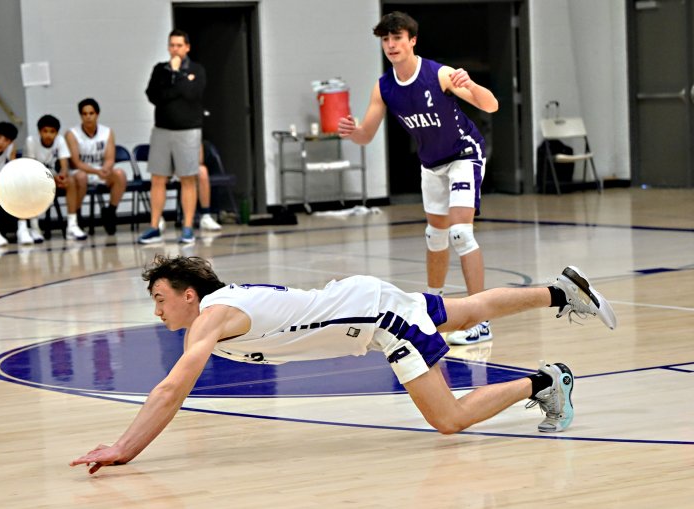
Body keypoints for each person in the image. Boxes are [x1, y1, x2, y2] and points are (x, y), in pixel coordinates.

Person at [70, 255, 616, 474]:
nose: (157, 310)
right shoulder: (220, 307)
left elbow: (171, 391)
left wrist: (124, 448)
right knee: (465, 311)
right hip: (362, 297)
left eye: (161, 298)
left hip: (379, 319)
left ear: (189, 295)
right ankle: (561, 291)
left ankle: (546, 381)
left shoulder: (210, 318)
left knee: (448, 419)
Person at [338, 12, 498, 346]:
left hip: (463, 154)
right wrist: (353, 132)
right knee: (434, 236)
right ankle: (432, 311)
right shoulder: (384, 87)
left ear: (412, 40)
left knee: (460, 233)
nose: (391, 45)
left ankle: (480, 321)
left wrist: (471, 85)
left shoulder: (440, 74)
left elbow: (491, 105)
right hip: (431, 164)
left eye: (397, 37)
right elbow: (366, 135)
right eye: (385, 39)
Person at [139, 29, 206, 245]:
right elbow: (154, 95)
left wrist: (177, 78)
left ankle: (187, 227)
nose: (175, 49)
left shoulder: (197, 70)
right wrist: (174, 82)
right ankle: (154, 226)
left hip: (188, 131)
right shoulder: (160, 70)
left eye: (179, 45)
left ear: (187, 47)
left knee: (187, 178)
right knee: (158, 178)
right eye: (172, 45)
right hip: (162, 130)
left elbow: (192, 94)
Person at [65, 98, 127, 236]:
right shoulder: (72, 134)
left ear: (97, 114)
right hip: (79, 172)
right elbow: (75, 162)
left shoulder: (107, 132)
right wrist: (96, 171)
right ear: (81, 115)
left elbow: (110, 159)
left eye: (91, 113)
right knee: (81, 177)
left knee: (120, 174)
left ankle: (110, 212)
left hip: (99, 171)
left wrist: (105, 168)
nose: (88, 117)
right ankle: (77, 215)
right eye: (84, 114)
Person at [24, 114, 88, 241]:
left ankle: (72, 226)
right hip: (34, 178)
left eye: (52, 132)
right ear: (39, 132)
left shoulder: (60, 140)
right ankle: (34, 227)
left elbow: (64, 166)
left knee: (70, 181)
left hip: (52, 178)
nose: (48, 135)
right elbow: (31, 169)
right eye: (45, 131)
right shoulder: (31, 141)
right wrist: (51, 178)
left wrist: (62, 175)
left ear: (57, 133)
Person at [197, 143, 222, 231]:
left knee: (202, 171)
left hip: (187, 166)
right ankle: (159, 218)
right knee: (160, 175)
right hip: (169, 167)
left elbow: (200, 160)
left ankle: (206, 216)